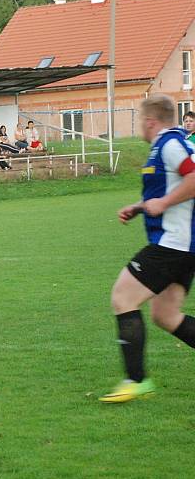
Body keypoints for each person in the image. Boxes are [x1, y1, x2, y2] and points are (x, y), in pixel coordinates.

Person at [100, 95, 195, 403]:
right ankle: (136, 380)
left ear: (150, 121)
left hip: (173, 244)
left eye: (141, 120)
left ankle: (136, 380)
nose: (140, 126)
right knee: (166, 315)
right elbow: (170, 188)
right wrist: (140, 207)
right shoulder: (168, 146)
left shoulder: (170, 144)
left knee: (123, 296)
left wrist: (164, 203)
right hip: (182, 246)